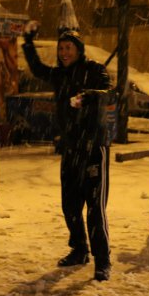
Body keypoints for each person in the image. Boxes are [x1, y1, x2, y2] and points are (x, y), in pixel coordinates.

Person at [22, 21, 115, 281]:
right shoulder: (60, 75)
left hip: (94, 146)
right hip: (71, 147)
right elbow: (38, 69)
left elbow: (109, 92)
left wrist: (88, 95)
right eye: (61, 48)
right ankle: (79, 250)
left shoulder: (94, 69)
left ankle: (103, 260)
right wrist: (28, 43)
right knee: (70, 205)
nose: (64, 52)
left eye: (69, 48)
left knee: (95, 208)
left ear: (79, 49)